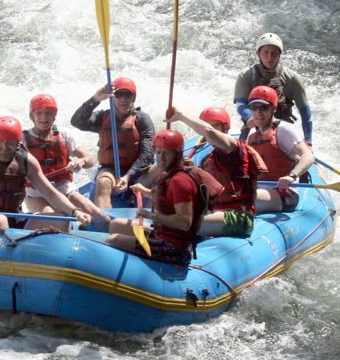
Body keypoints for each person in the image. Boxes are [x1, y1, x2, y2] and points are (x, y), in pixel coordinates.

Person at [0, 116, 92, 232]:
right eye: (0, 142)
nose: (4, 147)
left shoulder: (26, 160)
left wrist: (75, 211)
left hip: (14, 216)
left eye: (10, 142)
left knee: (62, 220)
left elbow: (51, 194)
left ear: (18, 141)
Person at [105, 130, 221, 265]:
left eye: (167, 153)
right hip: (162, 233)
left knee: (112, 240)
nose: (161, 158)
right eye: (158, 152)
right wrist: (146, 192)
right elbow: (169, 200)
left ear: (177, 155)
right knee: (116, 224)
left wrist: (151, 215)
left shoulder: (180, 181)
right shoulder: (168, 173)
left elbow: (184, 223)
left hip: (174, 248)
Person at [164, 106, 267, 237]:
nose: (210, 130)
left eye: (215, 126)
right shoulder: (207, 160)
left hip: (239, 217)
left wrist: (180, 115)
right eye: (207, 125)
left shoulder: (233, 147)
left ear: (226, 129)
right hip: (217, 214)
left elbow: (209, 132)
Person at [21, 94, 111, 232]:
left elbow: (89, 160)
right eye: (39, 113)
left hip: (65, 190)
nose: (44, 117)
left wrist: (80, 161)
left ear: (54, 116)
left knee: (101, 217)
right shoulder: (22, 139)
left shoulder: (64, 134)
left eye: (48, 113)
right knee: (56, 220)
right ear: (31, 116)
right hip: (36, 194)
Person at [70, 77, 155, 208]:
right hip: (111, 170)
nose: (124, 99)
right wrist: (96, 99)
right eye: (119, 94)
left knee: (162, 171)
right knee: (103, 181)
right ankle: (106, 222)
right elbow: (76, 121)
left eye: (128, 95)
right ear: (112, 97)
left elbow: (148, 154)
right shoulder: (101, 117)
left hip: (139, 170)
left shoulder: (142, 119)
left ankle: (156, 215)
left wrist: (128, 176)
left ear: (133, 98)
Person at [233, 33, 313, 147]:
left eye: (274, 53)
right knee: (240, 157)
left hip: (282, 129)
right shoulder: (247, 75)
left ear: (279, 55)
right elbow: (240, 104)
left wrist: (308, 142)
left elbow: (305, 112)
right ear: (258, 54)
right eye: (266, 52)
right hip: (254, 125)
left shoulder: (291, 78)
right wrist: (250, 118)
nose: (270, 57)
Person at [246, 86, 315, 213]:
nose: (258, 112)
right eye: (254, 108)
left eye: (264, 108)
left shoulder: (284, 129)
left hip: (284, 193)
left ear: (274, 108)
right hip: (260, 191)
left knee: (243, 198)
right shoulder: (251, 133)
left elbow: (308, 156)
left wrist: (291, 176)